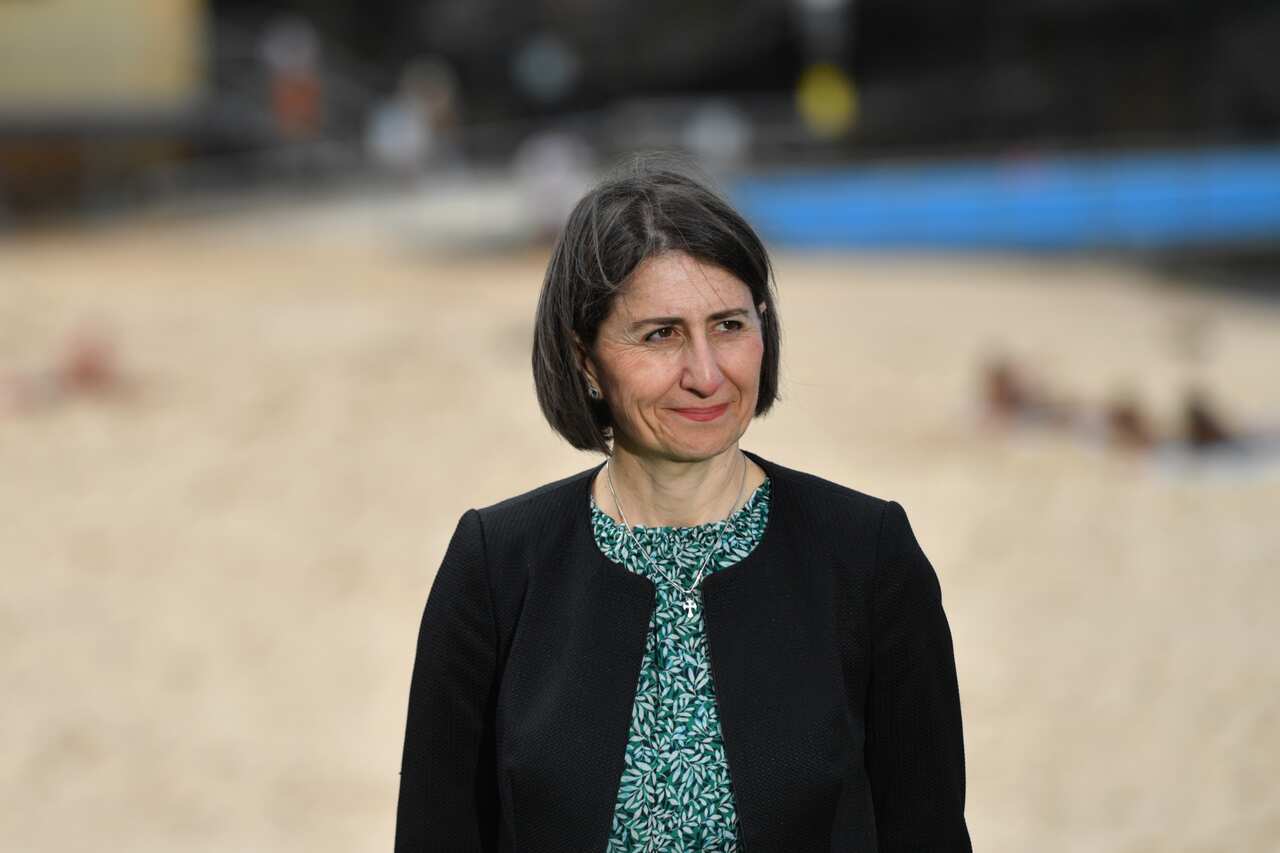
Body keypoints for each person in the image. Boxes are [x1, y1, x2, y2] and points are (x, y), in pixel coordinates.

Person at [394, 157, 972, 852]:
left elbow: (930, 832)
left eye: (729, 325)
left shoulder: (869, 555)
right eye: (661, 334)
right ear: (586, 361)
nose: (706, 374)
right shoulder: (495, 565)